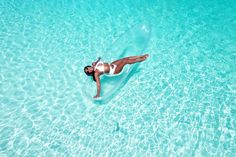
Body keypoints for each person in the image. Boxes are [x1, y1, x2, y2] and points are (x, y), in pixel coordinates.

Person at [84, 54, 149, 98]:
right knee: (125, 61)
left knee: (125, 58)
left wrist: (98, 59)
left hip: (112, 65)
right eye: (88, 71)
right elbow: (98, 85)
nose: (89, 69)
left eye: (88, 68)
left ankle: (140, 56)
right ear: (90, 73)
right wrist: (98, 94)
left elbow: (99, 60)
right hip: (114, 70)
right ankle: (142, 59)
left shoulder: (94, 64)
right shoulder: (96, 73)